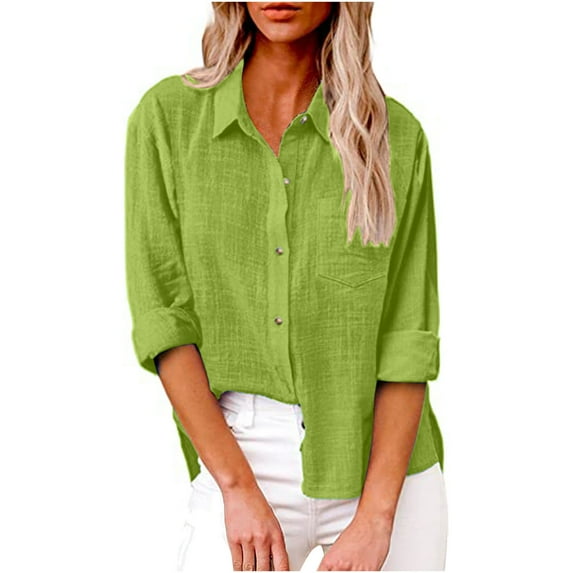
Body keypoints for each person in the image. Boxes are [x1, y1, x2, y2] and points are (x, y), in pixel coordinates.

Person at [124, 2, 448, 571]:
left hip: (384, 468)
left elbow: (407, 339)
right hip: (242, 452)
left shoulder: (396, 136)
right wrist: (236, 487)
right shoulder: (168, 120)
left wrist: (376, 518)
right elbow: (164, 320)